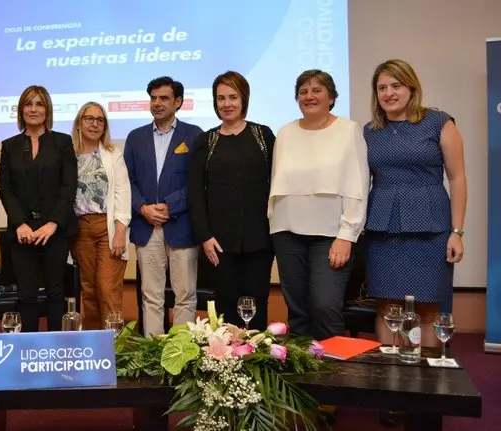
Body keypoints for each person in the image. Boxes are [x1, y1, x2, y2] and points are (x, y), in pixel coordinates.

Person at [364, 59, 467, 347]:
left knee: (428, 306)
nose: (388, 93)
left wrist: (456, 232)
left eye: (395, 85)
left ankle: (428, 380)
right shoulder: (370, 131)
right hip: (384, 230)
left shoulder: (438, 122)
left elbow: (457, 179)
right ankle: (389, 376)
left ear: (411, 87)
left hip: (432, 228)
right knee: (388, 308)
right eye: (382, 87)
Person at [269, 70, 369, 341]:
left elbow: (358, 186)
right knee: (298, 310)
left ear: (332, 97)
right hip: (286, 232)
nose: (309, 96)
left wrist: (347, 235)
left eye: (316, 90)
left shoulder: (349, 130)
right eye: (303, 91)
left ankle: (334, 376)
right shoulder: (285, 133)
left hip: (331, 235)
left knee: (325, 306)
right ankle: (304, 375)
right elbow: (277, 185)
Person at [187, 71, 275, 331]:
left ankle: (255, 360)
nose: (227, 104)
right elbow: (195, 192)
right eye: (221, 98)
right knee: (225, 304)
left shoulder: (263, 136)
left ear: (243, 99)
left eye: (233, 97)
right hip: (219, 243)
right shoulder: (207, 140)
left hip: (260, 240)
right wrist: (205, 236)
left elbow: (278, 184)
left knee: (257, 302)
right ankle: (226, 363)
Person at [123, 76, 203, 336]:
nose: (157, 103)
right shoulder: (135, 138)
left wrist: (170, 206)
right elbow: (127, 181)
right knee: (151, 297)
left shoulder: (194, 135)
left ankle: (181, 353)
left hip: (181, 226)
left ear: (178, 102)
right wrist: (143, 208)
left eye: (164, 98)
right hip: (147, 226)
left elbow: (199, 181)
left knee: (185, 296)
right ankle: (154, 356)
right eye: (153, 98)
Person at [0, 85, 77, 333]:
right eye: (29, 104)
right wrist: (20, 223)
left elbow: (69, 186)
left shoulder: (62, 142)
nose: (34, 109)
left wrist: (53, 223)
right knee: (26, 294)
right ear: (21, 110)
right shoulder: (9, 145)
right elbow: (6, 188)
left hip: (55, 230)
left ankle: (54, 353)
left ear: (47, 109)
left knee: (55, 292)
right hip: (22, 231)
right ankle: (29, 353)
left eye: (39, 104)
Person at [69, 102, 131, 330]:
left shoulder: (113, 155)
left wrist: (120, 232)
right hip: (80, 230)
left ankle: (116, 349)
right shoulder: (69, 154)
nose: (94, 123)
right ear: (79, 122)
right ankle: (95, 347)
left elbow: (123, 193)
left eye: (100, 119)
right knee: (89, 290)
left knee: (107, 289)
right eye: (89, 118)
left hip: (108, 229)